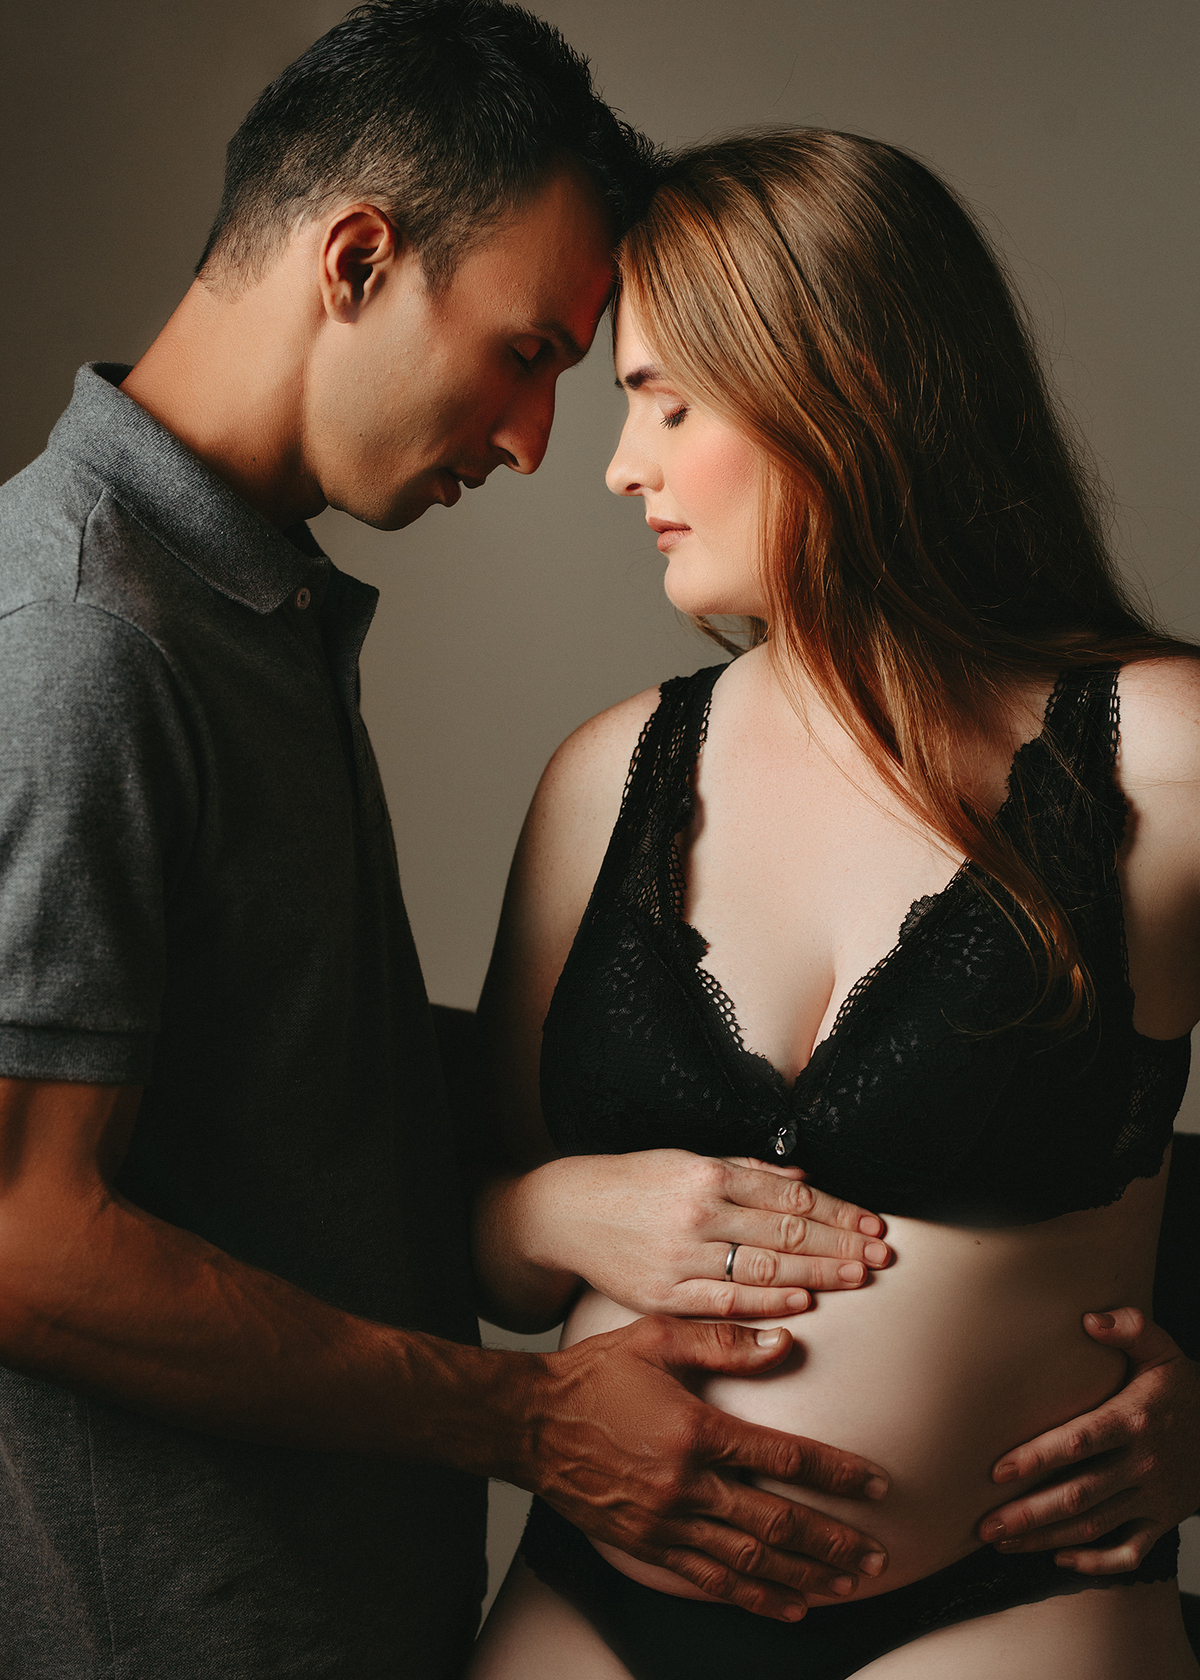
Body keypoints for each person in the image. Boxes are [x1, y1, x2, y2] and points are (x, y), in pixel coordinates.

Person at [0, 15, 922, 1678]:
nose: (534, 442)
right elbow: (18, 1237)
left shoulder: (232, 600)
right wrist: (525, 1417)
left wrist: (572, 1201)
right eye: (527, 352)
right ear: (358, 259)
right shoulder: (82, 640)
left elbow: (270, 1086)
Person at [467, 129, 1200, 1679]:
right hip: (587, 1604)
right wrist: (542, 1211)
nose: (621, 466)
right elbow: (479, 1229)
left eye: (669, 403)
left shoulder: (1162, 755)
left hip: (1002, 1611)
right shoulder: (605, 778)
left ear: (842, 391)